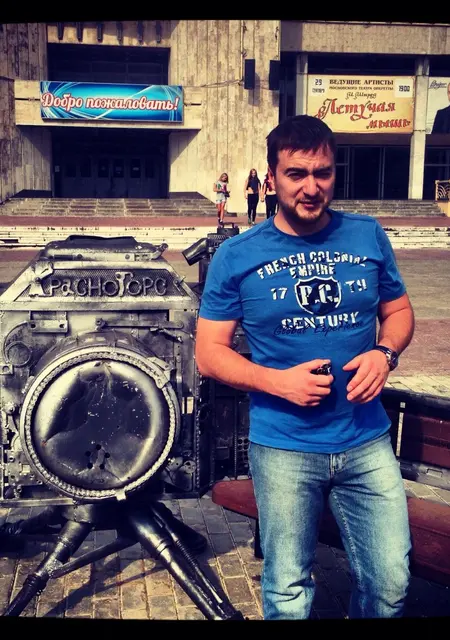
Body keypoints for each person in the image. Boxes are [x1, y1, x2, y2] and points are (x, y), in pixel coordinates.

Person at [195, 114, 415, 620]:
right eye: (296, 174)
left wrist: (385, 353)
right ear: (271, 179)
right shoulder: (237, 255)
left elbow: (399, 311)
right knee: (289, 592)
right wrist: (278, 383)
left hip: (366, 440)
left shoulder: (367, 235)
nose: (311, 188)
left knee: (390, 586)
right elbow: (209, 353)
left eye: (323, 173)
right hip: (284, 446)